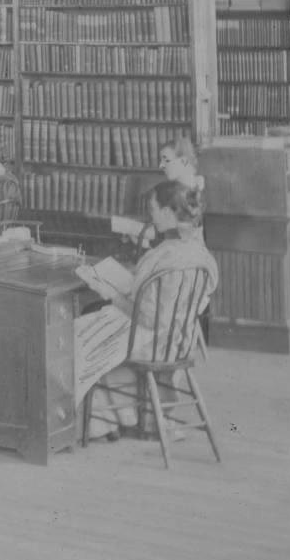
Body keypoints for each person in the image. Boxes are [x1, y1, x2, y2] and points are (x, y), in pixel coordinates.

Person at [75, 179, 219, 439]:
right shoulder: (203, 256)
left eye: (153, 209)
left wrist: (108, 291)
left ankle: (96, 423)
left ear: (167, 212)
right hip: (178, 341)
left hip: (150, 340)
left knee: (76, 337)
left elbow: (144, 316)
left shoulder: (160, 257)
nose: (150, 216)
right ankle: (115, 420)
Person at [115, 134, 206, 256]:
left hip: (180, 259)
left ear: (184, 161)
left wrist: (138, 234)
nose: (161, 165)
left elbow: (175, 238)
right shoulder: (190, 187)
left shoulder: (182, 194)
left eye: (166, 160)